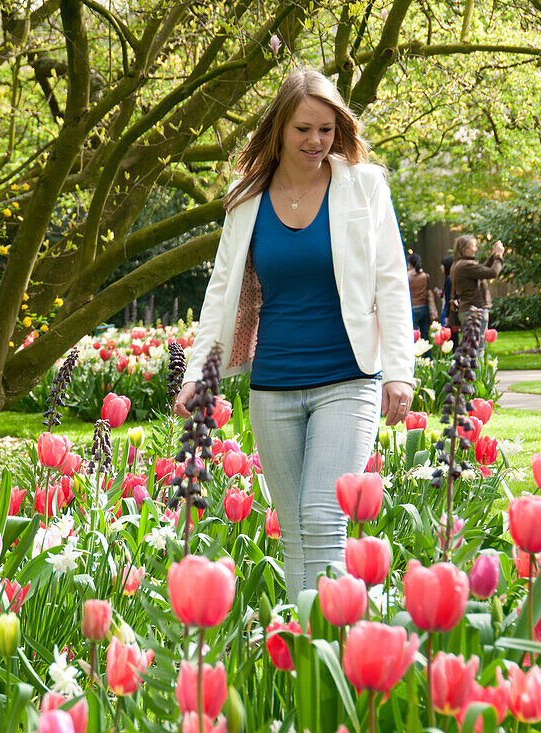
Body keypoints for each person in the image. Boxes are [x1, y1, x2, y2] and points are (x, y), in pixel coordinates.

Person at [173, 69, 414, 597]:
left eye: (327, 129)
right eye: (304, 129)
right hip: (273, 387)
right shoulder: (247, 198)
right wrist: (198, 375)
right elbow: (221, 291)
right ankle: (307, 661)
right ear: (279, 127)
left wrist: (400, 371)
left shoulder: (363, 185)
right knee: (295, 535)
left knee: (323, 519)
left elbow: (392, 278)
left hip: (348, 380)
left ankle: (333, 652)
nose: (316, 141)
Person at [449, 234, 504, 348]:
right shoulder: (466, 266)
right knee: (477, 348)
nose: (476, 249)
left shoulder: (459, 264)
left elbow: (481, 271)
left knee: (471, 347)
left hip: (467, 310)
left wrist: (493, 255)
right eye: (473, 246)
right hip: (474, 311)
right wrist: (499, 255)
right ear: (465, 248)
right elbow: (492, 272)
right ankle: (476, 366)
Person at [406, 253, 437, 340]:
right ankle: (427, 353)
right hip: (424, 307)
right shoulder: (425, 276)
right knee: (425, 336)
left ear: (409, 263)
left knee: (414, 336)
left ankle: (416, 353)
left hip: (412, 307)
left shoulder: (406, 276)